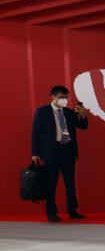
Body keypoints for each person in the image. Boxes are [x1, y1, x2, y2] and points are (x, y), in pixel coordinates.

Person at [31, 85, 90, 222]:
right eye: (61, 97)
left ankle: (72, 210)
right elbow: (35, 133)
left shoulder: (69, 112)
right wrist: (35, 153)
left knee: (70, 183)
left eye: (66, 98)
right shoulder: (42, 112)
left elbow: (83, 126)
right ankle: (51, 212)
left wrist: (83, 114)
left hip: (68, 151)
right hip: (51, 152)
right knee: (51, 183)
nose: (64, 100)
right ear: (53, 97)